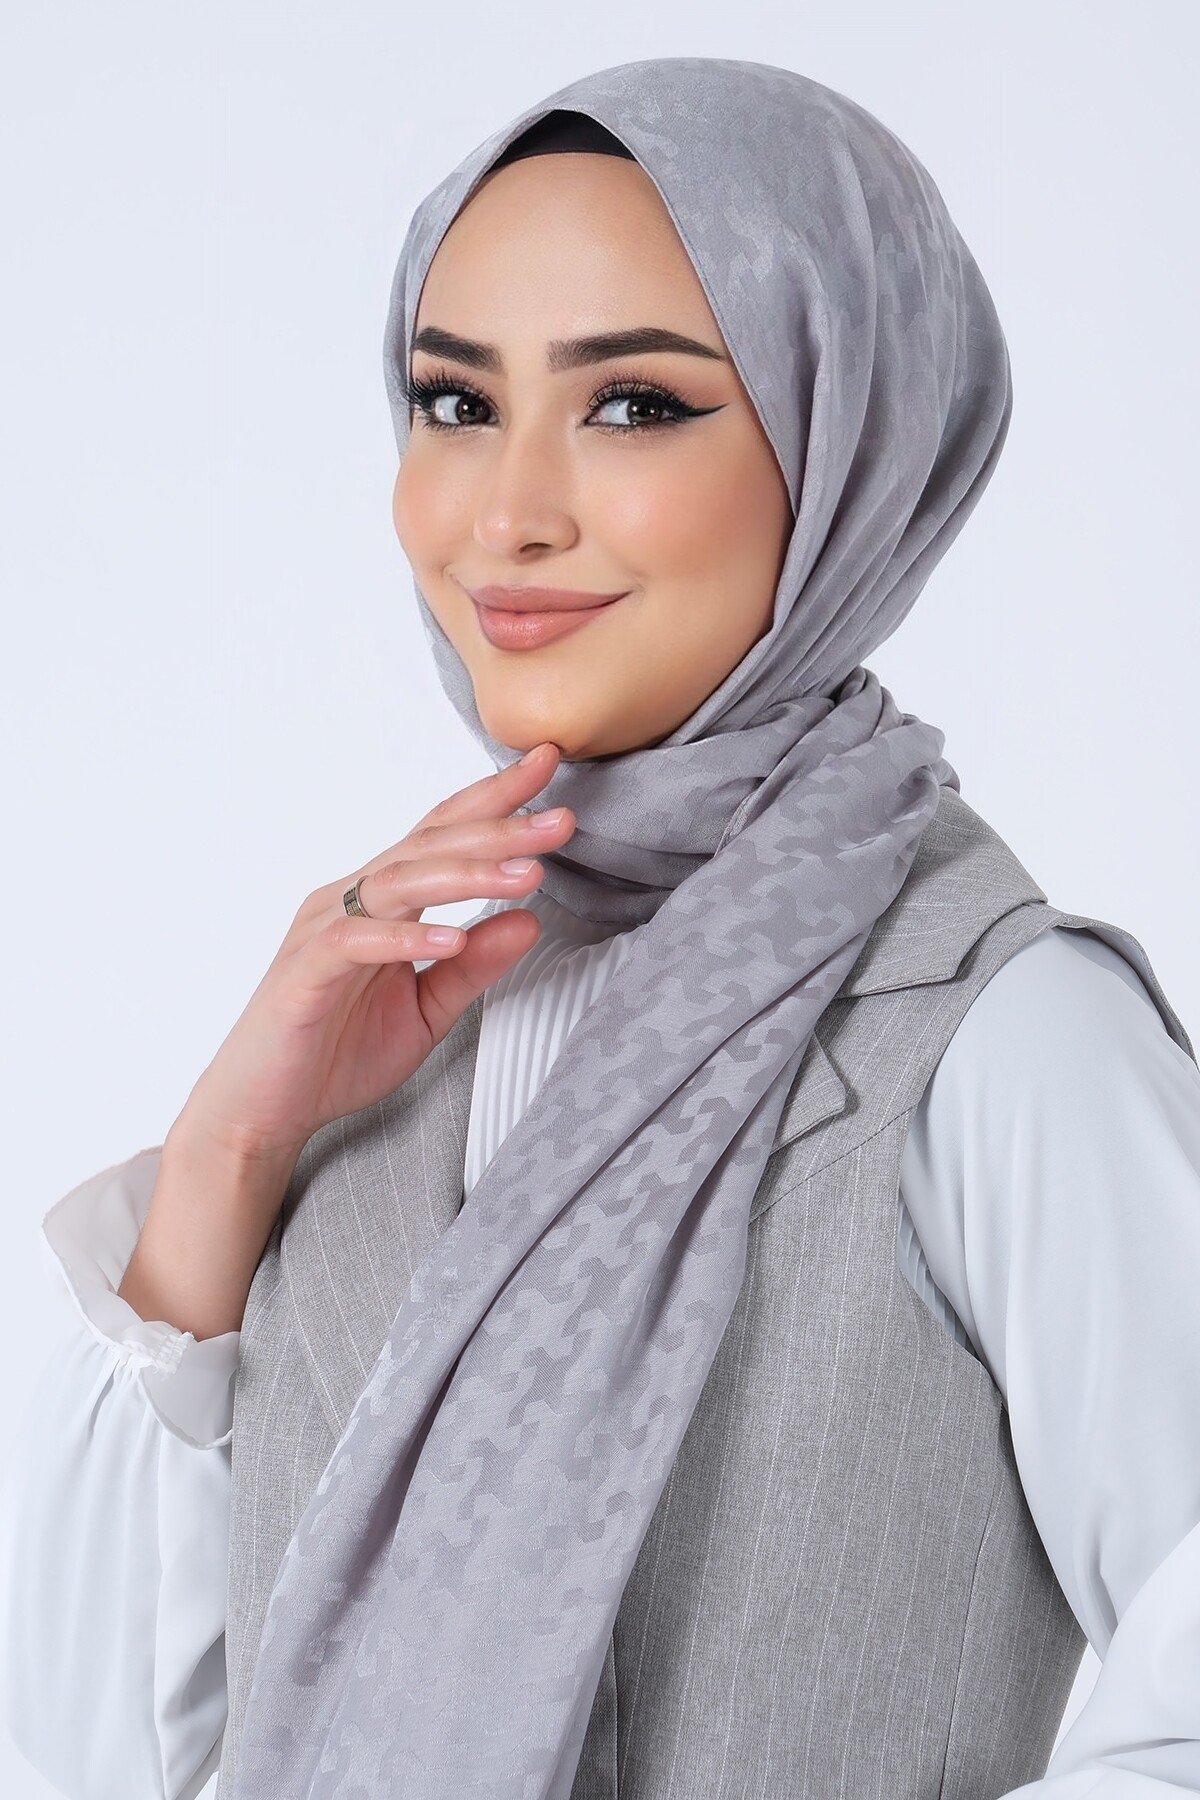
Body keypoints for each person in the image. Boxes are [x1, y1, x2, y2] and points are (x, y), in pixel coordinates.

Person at [2, 56, 1199, 1800]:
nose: (507, 513)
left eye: (633, 404)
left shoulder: (993, 1029)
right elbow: (101, 1761)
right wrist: (226, 1160)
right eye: (455, 400)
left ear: (850, 445)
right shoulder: (393, 1025)